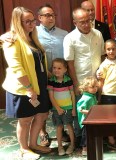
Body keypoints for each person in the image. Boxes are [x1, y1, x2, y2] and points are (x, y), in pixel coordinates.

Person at [2, 6, 51, 159]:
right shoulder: (12, 40)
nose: (32, 24)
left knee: (42, 114)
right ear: (18, 22)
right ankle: (24, 149)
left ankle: (33, 144)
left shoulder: (32, 38)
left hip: (40, 84)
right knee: (25, 120)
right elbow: (16, 67)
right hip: (24, 87)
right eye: (27, 21)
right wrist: (29, 88)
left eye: (33, 20)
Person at [63, 7, 104, 146]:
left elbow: (103, 56)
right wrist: (75, 84)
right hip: (81, 83)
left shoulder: (98, 34)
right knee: (81, 114)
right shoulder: (69, 38)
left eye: (88, 21)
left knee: (97, 110)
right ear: (75, 22)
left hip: (96, 81)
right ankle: (81, 141)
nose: (87, 24)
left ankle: (95, 139)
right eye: (82, 22)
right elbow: (70, 63)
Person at [37, 3, 69, 147]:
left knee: (62, 105)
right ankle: (42, 133)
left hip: (60, 78)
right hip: (42, 77)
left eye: (52, 15)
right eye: (47, 15)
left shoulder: (64, 34)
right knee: (43, 108)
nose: (51, 18)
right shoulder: (34, 33)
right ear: (39, 18)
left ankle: (63, 131)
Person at [97, 39, 116, 150]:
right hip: (107, 94)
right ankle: (111, 139)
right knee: (109, 118)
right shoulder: (104, 65)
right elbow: (101, 81)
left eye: (113, 49)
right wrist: (100, 96)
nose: (111, 51)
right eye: (108, 49)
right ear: (105, 50)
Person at [47, 58, 75, 156]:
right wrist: (58, 108)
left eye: (59, 68)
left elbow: (72, 95)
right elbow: (51, 96)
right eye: (54, 68)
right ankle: (60, 146)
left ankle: (72, 145)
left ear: (65, 69)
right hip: (56, 109)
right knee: (59, 127)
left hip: (68, 108)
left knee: (69, 126)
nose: (56, 70)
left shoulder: (68, 80)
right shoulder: (51, 81)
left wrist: (74, 109)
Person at [77, 76, 99, 156]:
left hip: (91, 119)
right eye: (92, 87)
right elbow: (80, 109)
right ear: (85, 88)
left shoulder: (92, 96)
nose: (95, 89)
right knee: (85, 135)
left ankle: (91, 146)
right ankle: (84, 148)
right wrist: (90, 112)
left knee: (91, 133)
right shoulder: (86, 98)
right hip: (86, 120)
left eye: (96, 86)